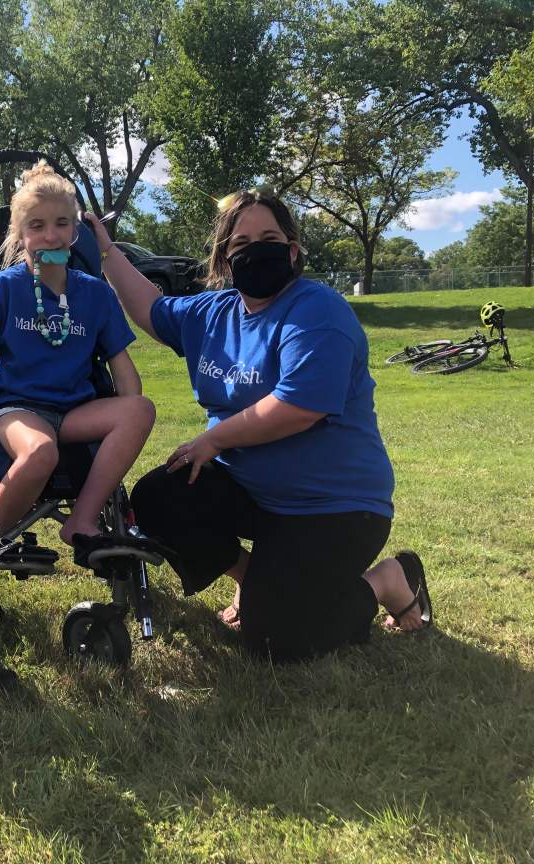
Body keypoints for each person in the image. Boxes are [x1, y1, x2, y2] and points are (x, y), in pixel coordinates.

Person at [85, 190, 433, 663]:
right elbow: (150, 308)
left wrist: (215, 438)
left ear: (292, 249)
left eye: (269, 237)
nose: (256, 249)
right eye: (242, 242)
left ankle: (387, 580)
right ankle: (255, 580)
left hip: (334, 508)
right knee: (158, 495)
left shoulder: (318, 310)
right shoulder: (213, 313)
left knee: (276, 641)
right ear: (226, 260)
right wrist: (105, 250)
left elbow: (298, 406)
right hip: (254, 497)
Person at [0, 161, 156, 591]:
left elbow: (121, 365)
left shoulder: (94, 294)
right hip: (16, 407)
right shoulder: (4, 288)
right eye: (37, 226)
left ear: (75, 232)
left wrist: (130, 408)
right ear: (21, 235)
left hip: (74, 408)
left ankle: (80, 521)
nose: (51, 235)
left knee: (140, 409)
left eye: (62, 224)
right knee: (41, 452)